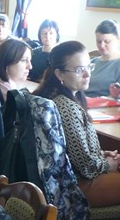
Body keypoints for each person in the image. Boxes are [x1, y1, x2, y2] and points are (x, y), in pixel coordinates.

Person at [34, 41, 120, 207]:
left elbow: (74, 151)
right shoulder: (67, 107)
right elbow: (86, 167)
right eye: (80, 70)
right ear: (59, 74)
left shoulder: (53, 95)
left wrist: (101, 154)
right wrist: (108, 164)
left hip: (63, 180)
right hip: (73, 187)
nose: (87, 74)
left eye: (89, 67)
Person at [0, 38, 32, 103]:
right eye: (24, 60)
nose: (30, 67)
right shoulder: (8, 95)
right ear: (6, 62)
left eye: (30, 61)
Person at [87, 19, 120, 98]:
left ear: (118, 40)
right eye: (99, 41)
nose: (102, 46)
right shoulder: (93, 61)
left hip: (105, 104)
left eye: (107, 41)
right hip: (81, 101)